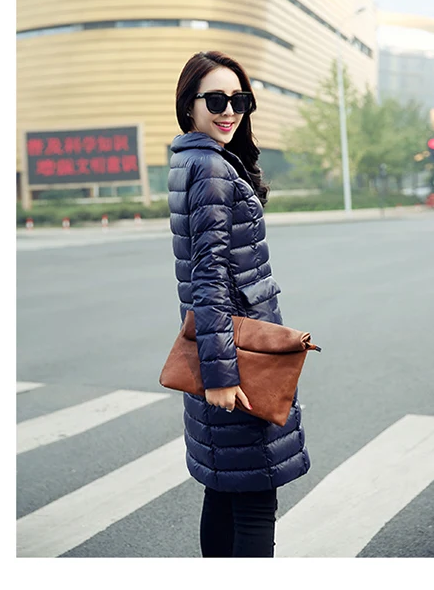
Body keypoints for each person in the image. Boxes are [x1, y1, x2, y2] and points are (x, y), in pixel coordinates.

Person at [168, 50, 310, 557]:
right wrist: (222, 375)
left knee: (226, 489)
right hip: (239, 355)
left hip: (223, 346)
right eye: (215, 100)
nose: (229, 110)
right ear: (189, 105)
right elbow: (208, 279)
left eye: (239, 100)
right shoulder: (211, 169)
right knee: (253, 499)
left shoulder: (192, 159)